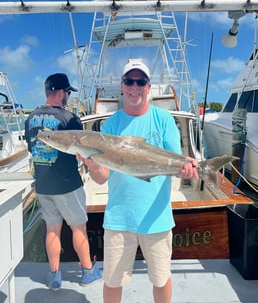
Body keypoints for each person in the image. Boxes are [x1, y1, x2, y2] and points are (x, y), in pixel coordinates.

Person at [77, 59, 199, 303]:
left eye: (140, 81)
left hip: (157, 217)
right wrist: (92, 165)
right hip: (119, 217)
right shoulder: (110, 125)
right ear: (122, 86)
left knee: (161, 279)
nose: (135, 86)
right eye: (129, 81)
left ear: (148, 87)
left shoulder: (164, 120)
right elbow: (102, 178)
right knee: (112, 281)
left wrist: (185, 170)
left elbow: (175, 164)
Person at [25, 73, 102, 291]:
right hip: (68, 185)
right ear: (60, 92)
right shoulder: (69, 119)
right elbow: (82, 152)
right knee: (79, 229)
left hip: (43, 185)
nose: (68, 96)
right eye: (68, 92)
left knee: (52, 230)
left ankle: (55, 275)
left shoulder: (30, 118)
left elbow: (32, 149)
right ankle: (88, 271)